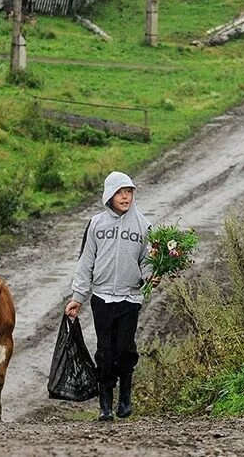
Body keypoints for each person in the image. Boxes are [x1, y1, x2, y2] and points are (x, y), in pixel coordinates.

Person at [64, 171, 156, 422]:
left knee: (125, 350)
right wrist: (78, 296)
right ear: (109, 195)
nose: (125, 196)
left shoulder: (144, 226)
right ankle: (105, 405)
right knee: (104, 353)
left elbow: (147, 261)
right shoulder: (96, 224)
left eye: (129, 192)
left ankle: (125, 398)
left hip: (130, 298)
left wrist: (150, 277)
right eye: (120, 192)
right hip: (102, 298)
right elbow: (86, 262)